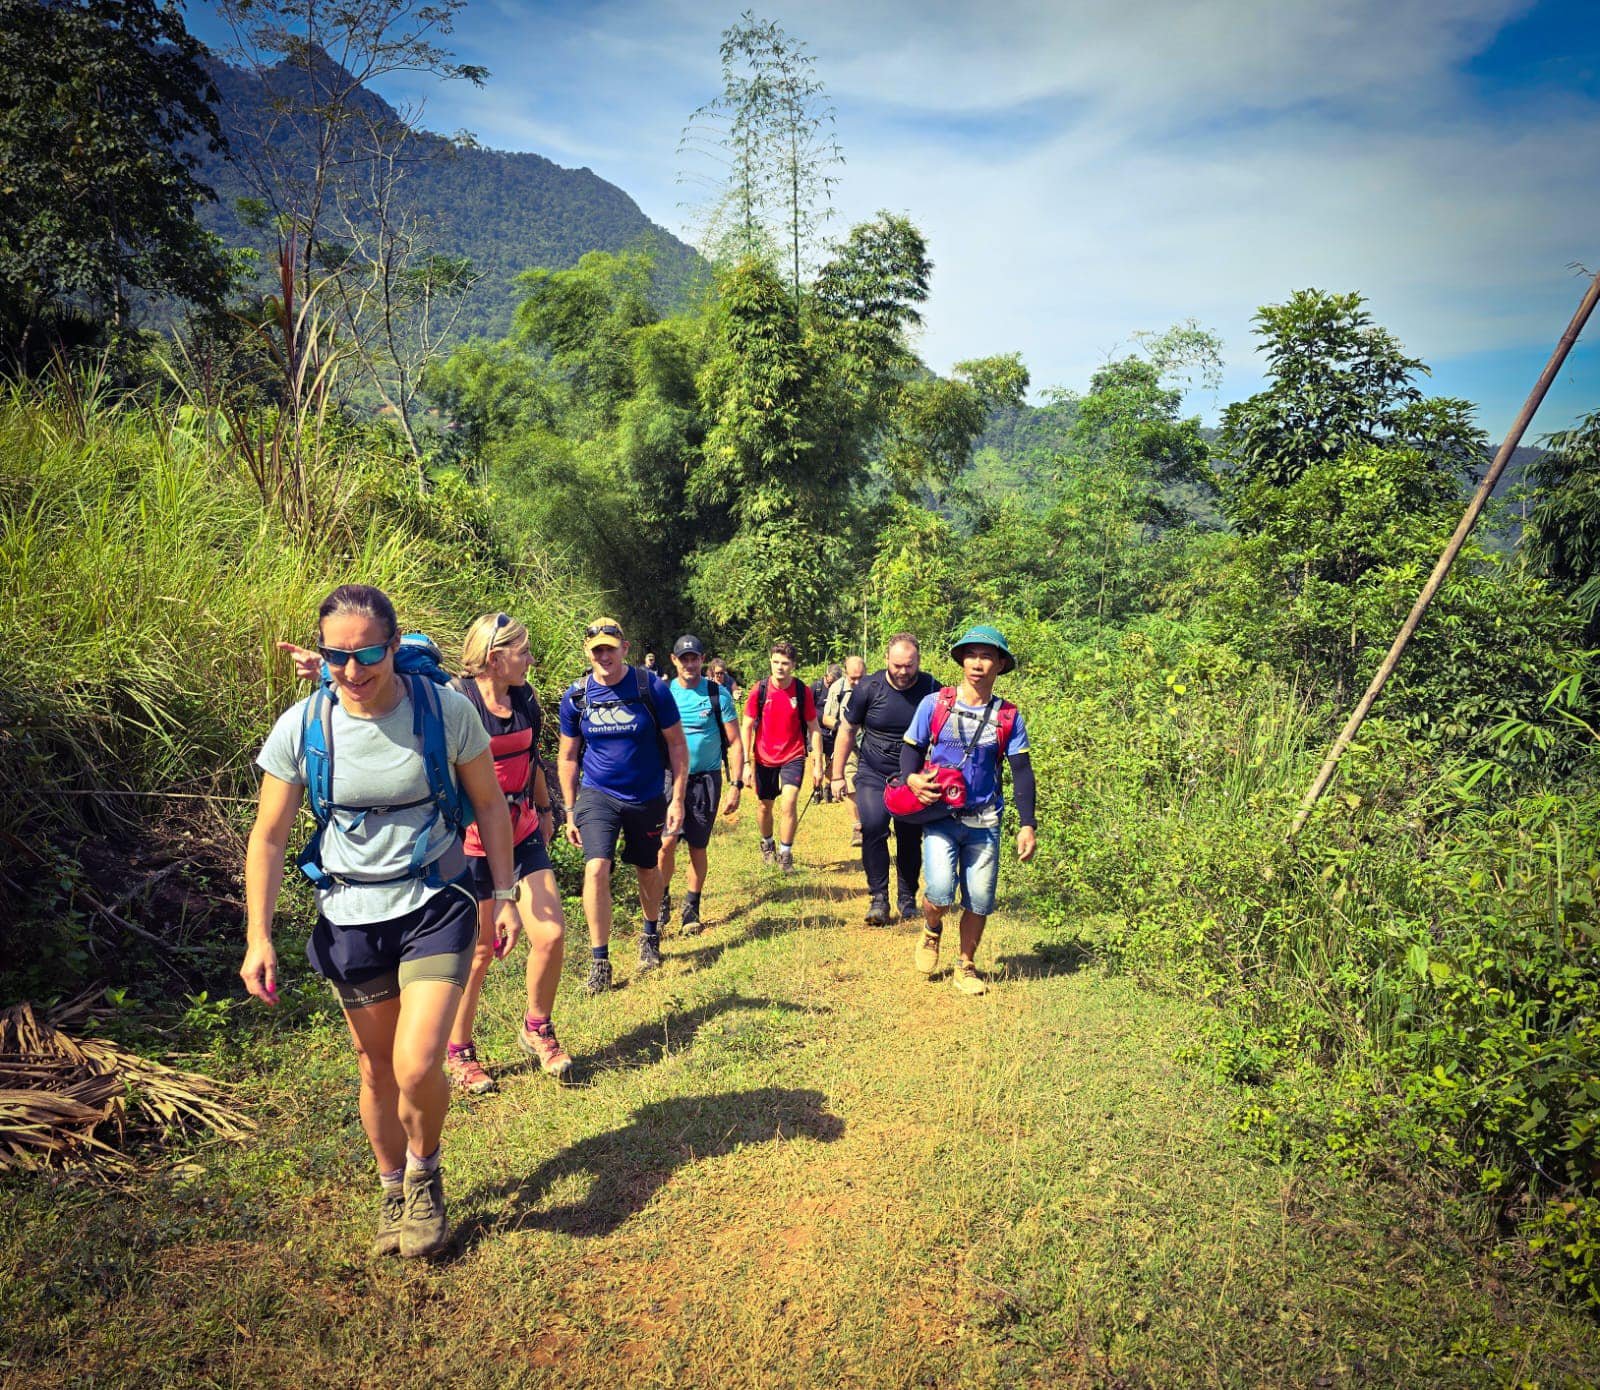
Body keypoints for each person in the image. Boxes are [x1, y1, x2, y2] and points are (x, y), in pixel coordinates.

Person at [242, 584, 519, 1261]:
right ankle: (392, 1189)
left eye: (369, 654)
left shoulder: (443, 710)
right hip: (349, 916)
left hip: (434, 902)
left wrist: (505, 892)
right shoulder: (303, 726)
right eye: (338, 657)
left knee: (418, 1059)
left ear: (395, 646)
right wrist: (259, 935)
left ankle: (426, 1176)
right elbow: (270, 836)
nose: (353, 672)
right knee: (375, 1070)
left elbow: (490, 804)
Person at [448, 613, 572, 1089]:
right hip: (472, 844)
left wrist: (544, 807)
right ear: (496, 659)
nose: (531, 660)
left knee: (552, 933)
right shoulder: (456, 702)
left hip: (521, 831)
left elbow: (530, 757)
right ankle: (459, 1051)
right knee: (480, 952)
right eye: (523, 652)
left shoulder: (525, 698)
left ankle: (537, 1026)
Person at [899, 625, 1037, 995]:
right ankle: (931, 931)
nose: (978, 663)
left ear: (1000, 664)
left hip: (985, 820)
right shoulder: (935, 704)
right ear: (962, 660)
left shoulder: (1008, 716)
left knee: (979, 898)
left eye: (987, 656)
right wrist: (911, 780)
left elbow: (1021, 771)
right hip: (940, 817)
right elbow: (910, 752)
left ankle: (966, 965)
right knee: (941, 892)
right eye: (972, 655)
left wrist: (1028, 825)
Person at [558, 617, 688, 993]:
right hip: (598, 793)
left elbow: (677, 745)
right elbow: (568, 756)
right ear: (588, 652)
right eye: (596, 649)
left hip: (646, 795)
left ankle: (650, 935)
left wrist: (676, 797)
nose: (603, 656)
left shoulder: (651, 689)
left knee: (647, 870)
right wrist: (570, 809)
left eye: (609, 649)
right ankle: (601, 962)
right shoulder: (577, 696)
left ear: (624, 649)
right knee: (596, 868)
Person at [832, 637, 937, 926]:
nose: (903, 672)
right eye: (897, 665)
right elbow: (847, 731)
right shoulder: (869, 687)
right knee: (874, 825)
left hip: (912, 777)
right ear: (886, 660)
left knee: (909, 836)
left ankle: (907, 898)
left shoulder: (931, 689)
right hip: (873, 772)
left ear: (919, 661)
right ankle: (878, 898)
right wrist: (837, 774)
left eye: (909, 665)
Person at [656, 633, 745, 934]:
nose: (690, 664)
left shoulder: (717, 694)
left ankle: (691, 909)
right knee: (666, 842)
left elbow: (734, 741)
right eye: (684, 659)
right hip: (670, 779)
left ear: (702, 660)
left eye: (694, 658)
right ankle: (663, 895)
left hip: (706, 779)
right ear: (674, 661)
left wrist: (736, 783)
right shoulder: (664, 694)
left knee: (697, 846)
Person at [740, 641, 823, 874]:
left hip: (793, 754)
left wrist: (818, 764)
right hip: (764, 757)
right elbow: (746, 725)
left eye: (785, 663)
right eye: (776, 662)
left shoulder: (801, 691)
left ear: (793, 665)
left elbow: (814, 728)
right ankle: (767, 844)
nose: (779, 667)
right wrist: (746, 763)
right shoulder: (760, 689)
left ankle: (786, 854)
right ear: (770, 662)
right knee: (765, 806)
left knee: (789, 801)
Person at [823, 655, 866, 840]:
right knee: (850, 784)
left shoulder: (875, 686)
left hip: (872, 744)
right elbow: (826, 718)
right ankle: (857, 827)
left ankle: (876, 821)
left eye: (860, 678)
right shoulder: (837, 688)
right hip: (848, 744)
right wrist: (842, 728)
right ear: (845, 673)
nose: (856, 682)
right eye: (852, 678)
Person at [812, 663, 843, 801]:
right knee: (815, 760)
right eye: (833, 677)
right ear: (827, 675)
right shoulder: (816, 687)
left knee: (830, 760)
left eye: (837, 678)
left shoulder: (839, 689)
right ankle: (816, 789)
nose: (834, 680)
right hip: (816, 730)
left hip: (832, 731)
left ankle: (827, 788)